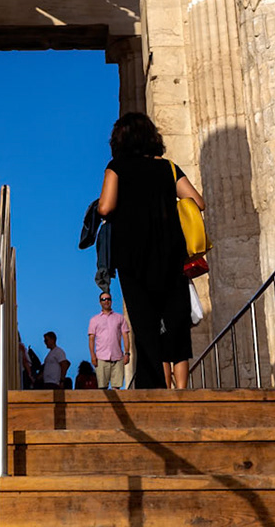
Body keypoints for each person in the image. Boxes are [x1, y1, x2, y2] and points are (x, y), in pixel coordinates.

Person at [97, 112, 204, 389]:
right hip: (170, 253)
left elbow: (105, 208)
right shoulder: (168, 168)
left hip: (132, 256)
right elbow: (197, 202)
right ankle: (181, 388)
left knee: (144, 320)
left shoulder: (116, 167)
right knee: (175, 318)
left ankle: (154, 384)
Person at [86, 289, 131, 389]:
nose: (106, 301)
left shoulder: (120, 318)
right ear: (100, 302)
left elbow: (125, 336)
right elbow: (91, 339)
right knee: (102, 388)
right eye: (103, 299)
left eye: (108, 299)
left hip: (117, 357)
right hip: (101, 357)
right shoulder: (94, 320)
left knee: (117, 387)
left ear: (111, 301)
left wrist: (127, 353)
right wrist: (93, 355)